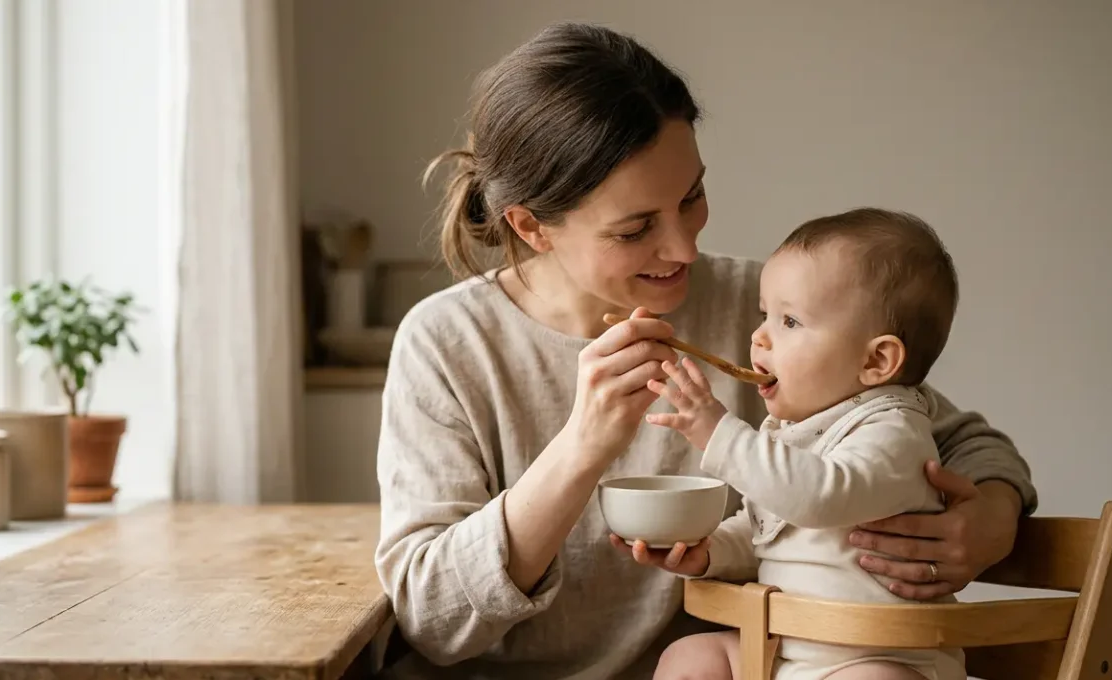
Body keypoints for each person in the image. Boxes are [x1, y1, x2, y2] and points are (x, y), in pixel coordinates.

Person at [374, 21, 1036, 679]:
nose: (685, 249)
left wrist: (995, 515)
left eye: (691, 197)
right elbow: (433, 621)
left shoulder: (769, 312)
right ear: (530, 226)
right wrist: (583, 444)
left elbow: (948, 434)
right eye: (636, 229)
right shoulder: (448, 345)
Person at [646, 208, 968, 680]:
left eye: (790, 322)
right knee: (690, 659)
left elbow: (819, 497)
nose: (758, 336)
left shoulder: (894, 431)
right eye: (764, 315)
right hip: (784, 655)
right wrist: (711, 551)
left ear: (877, 360)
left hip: (878, 659)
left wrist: (720, 432)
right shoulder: (800, 431)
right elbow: (769, 529)